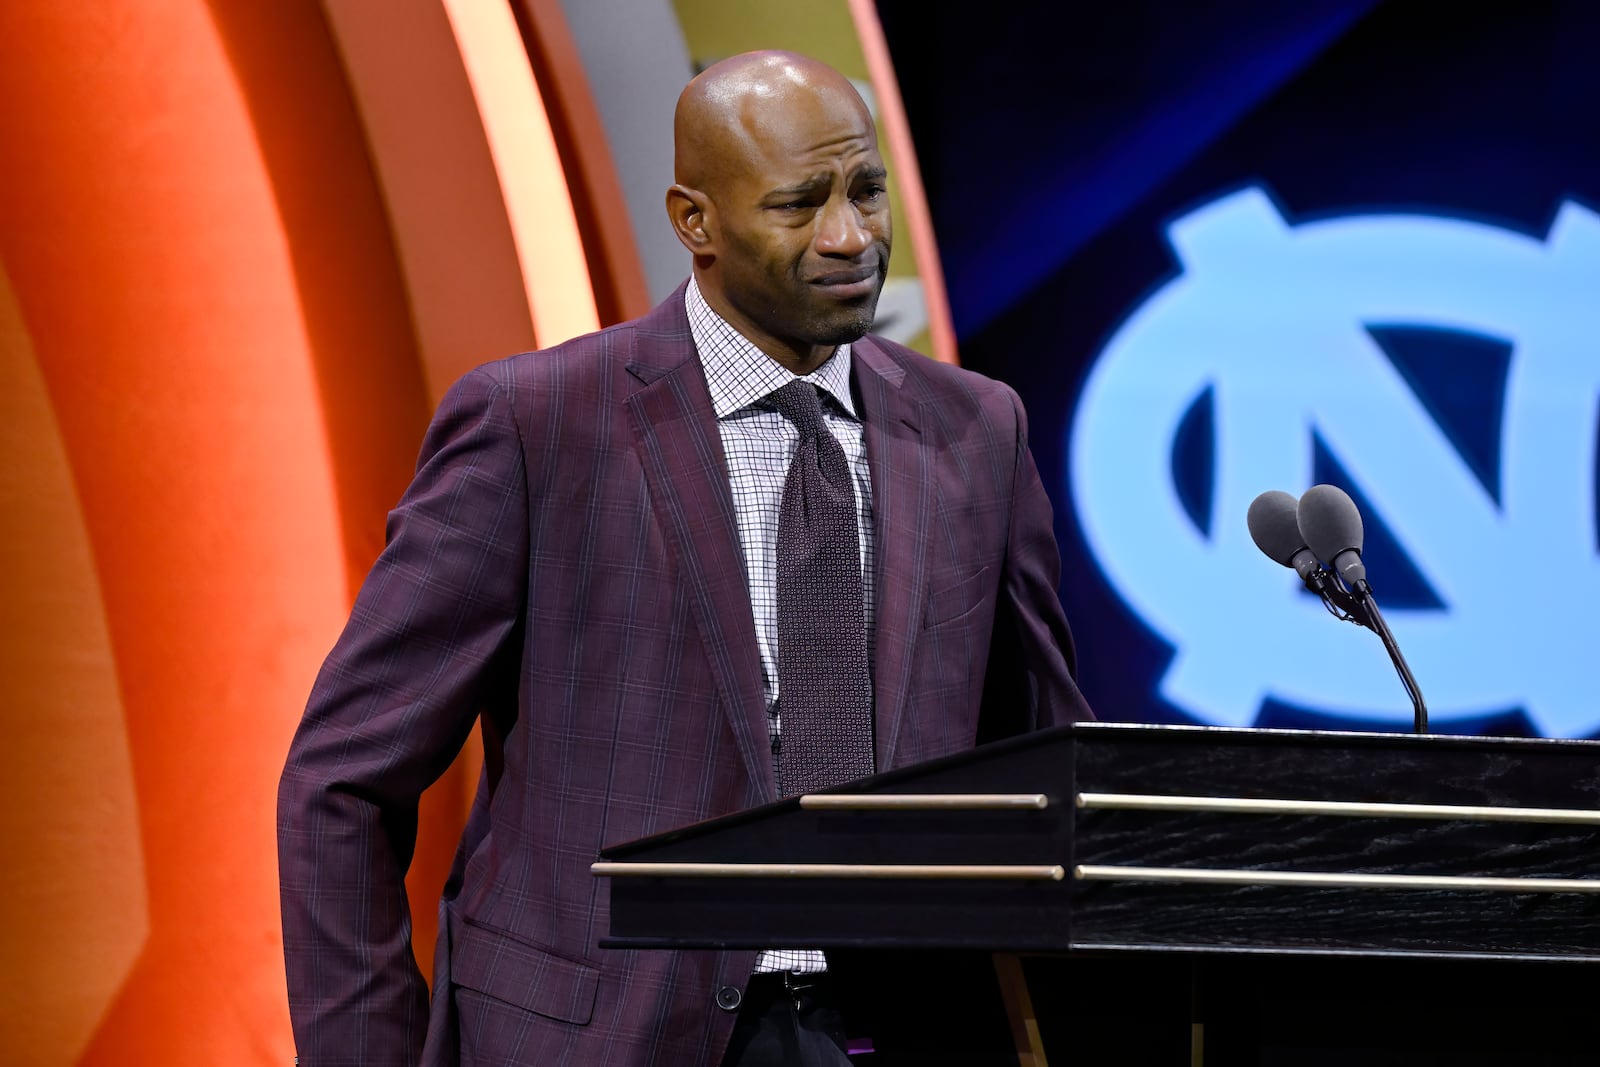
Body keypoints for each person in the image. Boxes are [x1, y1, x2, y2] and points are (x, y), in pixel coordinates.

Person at [278, 49, 1092, 1066]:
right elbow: (343, 780)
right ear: (693, 221)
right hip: (604, 1037)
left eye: (865, 191)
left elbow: (1052, 762)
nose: (850, 236)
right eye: (799, 204)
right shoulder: (537, 425)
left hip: (907, 1029)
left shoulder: (976, 428)